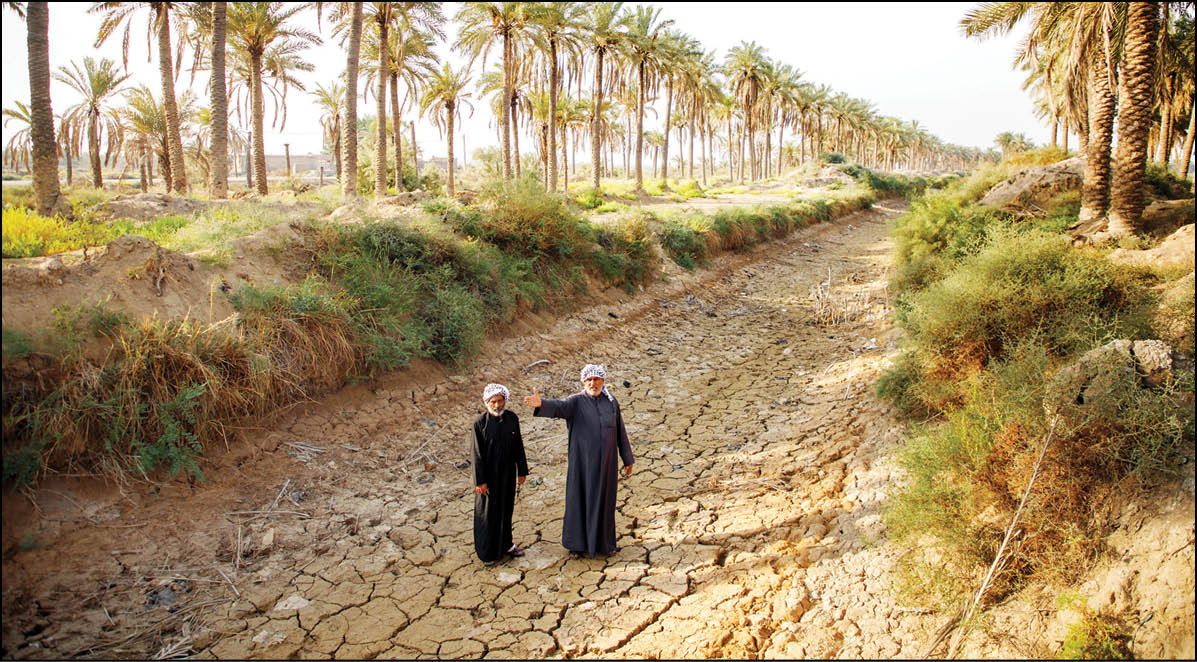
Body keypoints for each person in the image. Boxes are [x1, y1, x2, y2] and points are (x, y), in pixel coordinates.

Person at [524, 364, 634, 560]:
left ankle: (605, 544)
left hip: (607, 465)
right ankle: (577, 545)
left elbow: (620, 432)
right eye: (589, 380)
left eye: (596, 380)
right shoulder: (576, 402)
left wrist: (627, 458)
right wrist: (542, 404)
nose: (593, 383)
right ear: (584, 382)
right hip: (583, 465)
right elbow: (559, 407)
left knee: (605, 503)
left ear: (603, 381)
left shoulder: (611, 402)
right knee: (579, 501)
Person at [472, 383, 528, 565]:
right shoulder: (480, 424)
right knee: (488, 514)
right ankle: (487, 553)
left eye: (500, 401)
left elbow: (518, 445)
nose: (497, 405)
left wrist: (522, 470)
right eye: (493, 402)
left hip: (508, 473)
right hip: (488, 477)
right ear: (487, 402)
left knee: (506, 510)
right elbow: (477, 455)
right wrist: (480, 481)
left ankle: (507, 545)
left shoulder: (512, 419)